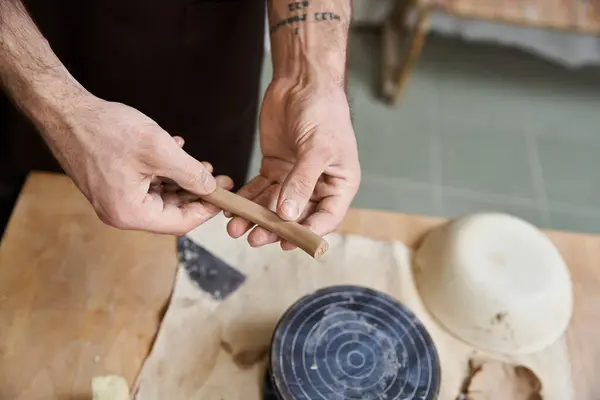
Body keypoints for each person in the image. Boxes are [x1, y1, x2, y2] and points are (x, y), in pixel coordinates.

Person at [0, 0, 360, 250]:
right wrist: (58, 106)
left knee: (192, 219)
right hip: (30, 33)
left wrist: (307, 78)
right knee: (36, 220)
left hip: (204, 48)